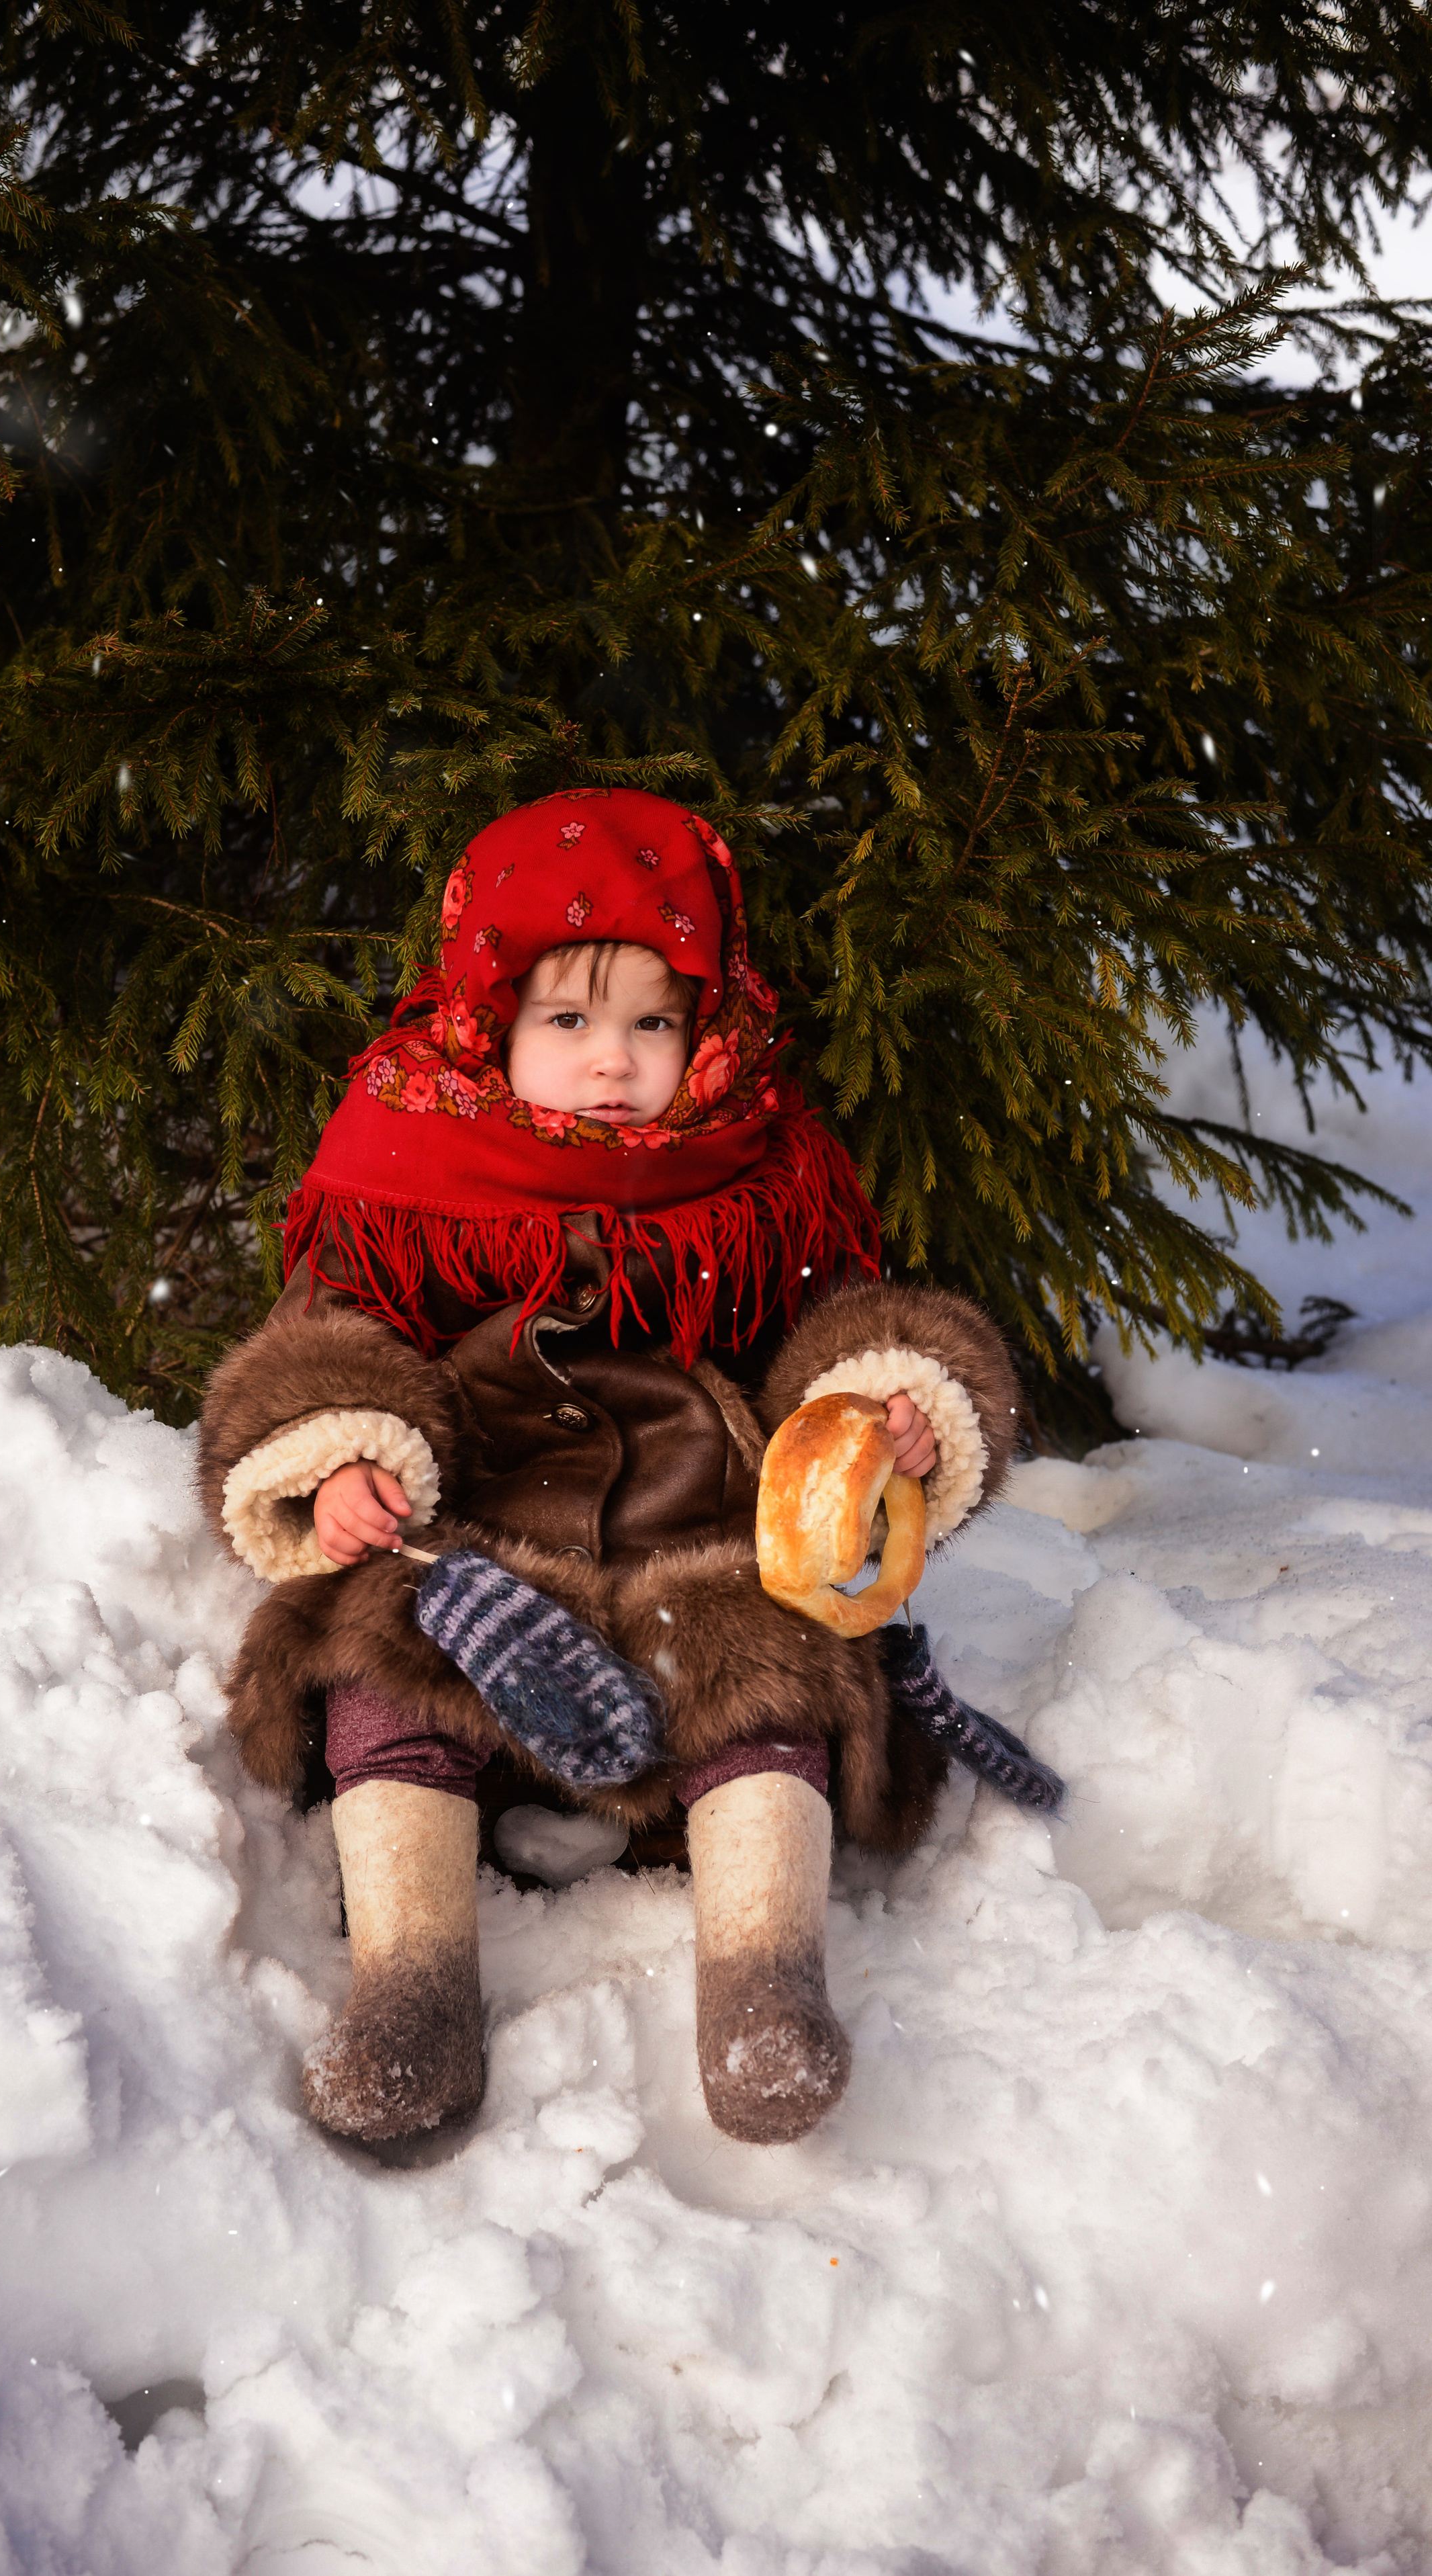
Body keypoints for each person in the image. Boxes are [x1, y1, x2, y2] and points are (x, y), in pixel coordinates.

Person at [197, 789, 1019, 2147]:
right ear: (490, 1021)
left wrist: (885, 1402)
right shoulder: (406, 1162)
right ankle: (410, 1985)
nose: (611, 1063)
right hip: (472, 1554)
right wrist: (337, 1454)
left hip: (693, 1548)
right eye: (566, 1022)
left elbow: (834, 1320)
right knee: (373, 1674)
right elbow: (326, 1331)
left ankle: (764, 1983)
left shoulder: (757, 1172)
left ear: (705, 1030)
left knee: (777, 1690)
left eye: (651, 1023)